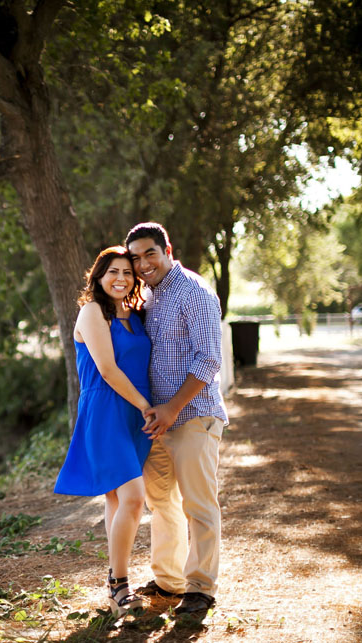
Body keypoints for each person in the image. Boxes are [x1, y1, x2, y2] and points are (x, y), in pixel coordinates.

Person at [125, 222, 229, 616]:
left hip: (193, 416)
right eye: (135, 257)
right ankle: (169, 582)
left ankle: (201, 587)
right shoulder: (149, 296)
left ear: (168, 249)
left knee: (198, 504)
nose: (143, 263)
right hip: (157, 424)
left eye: (150, 253)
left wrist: (173, 408)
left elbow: (209, 358)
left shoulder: (194, 292)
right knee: (161, 502)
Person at [54, 246, 153, 617]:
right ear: (98, 276)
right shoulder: (92, 311)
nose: (121, 279)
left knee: (116, 500)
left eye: (128, 273)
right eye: (113, 271)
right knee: (133, 497)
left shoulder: (134, 313)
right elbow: (108, 370)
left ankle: (115, 583)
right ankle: (120, 585)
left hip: (133, 415)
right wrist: (147, 407)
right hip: (106, 411)